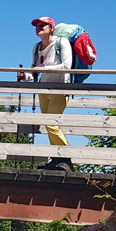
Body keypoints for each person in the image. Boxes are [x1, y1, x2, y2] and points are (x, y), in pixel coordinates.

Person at [18, 17, 74, 171]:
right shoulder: (36, 47)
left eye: (42, 25)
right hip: (43, 89)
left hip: (60, 88)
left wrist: (45, 69)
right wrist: (26, 77)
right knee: (49, 125)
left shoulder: (61, 42)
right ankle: (56, 159)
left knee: (52, 124)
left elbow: (67, 66)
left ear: (51, 28)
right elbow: (36, 71)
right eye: (37, 25)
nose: (38, 27)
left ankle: (65, 158)